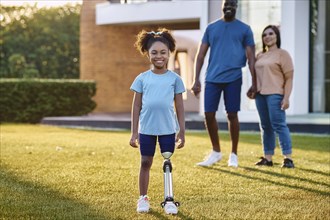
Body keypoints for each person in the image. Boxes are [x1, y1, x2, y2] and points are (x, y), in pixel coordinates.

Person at [191, 0, 256, 167]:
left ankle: (233, 154)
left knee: (232, 114)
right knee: (209, 114)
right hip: (212, 78)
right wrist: (195, 79)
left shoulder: (245, 29)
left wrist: (254, 83)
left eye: (233, 4)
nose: (229, 6)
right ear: (222, 5)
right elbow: (200, 56)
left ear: (237, 7)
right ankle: (216, 152)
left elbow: (251, 59)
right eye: (227, 3)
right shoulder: (211, 28)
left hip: (234, 77)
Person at [129, 28, 186, 214]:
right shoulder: (142, 79)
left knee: (167, 161)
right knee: (145, 162)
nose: (159, 56)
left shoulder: (175, 79)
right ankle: (143, 198)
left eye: (163, 52)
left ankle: (169, 199)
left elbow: (180, 107)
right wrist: (134, 132)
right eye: (154, 52)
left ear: (169, 53)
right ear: (147, 53)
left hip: (168, 129)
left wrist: (182, 131)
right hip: (146, 129)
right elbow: (136, 106)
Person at [247, 25, 295, 168]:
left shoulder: (283, 54)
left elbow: (289, 78)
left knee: (279, 125)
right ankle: (268, 158)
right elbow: (256, 75)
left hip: (275, 94)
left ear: (276, 36)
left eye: (270, 33)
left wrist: (286, 97)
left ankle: (288, 158)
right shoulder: (259, 56)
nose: (267, 36)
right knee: (265, 126)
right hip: (260, 95)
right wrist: (253, 88)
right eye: (264, 35)